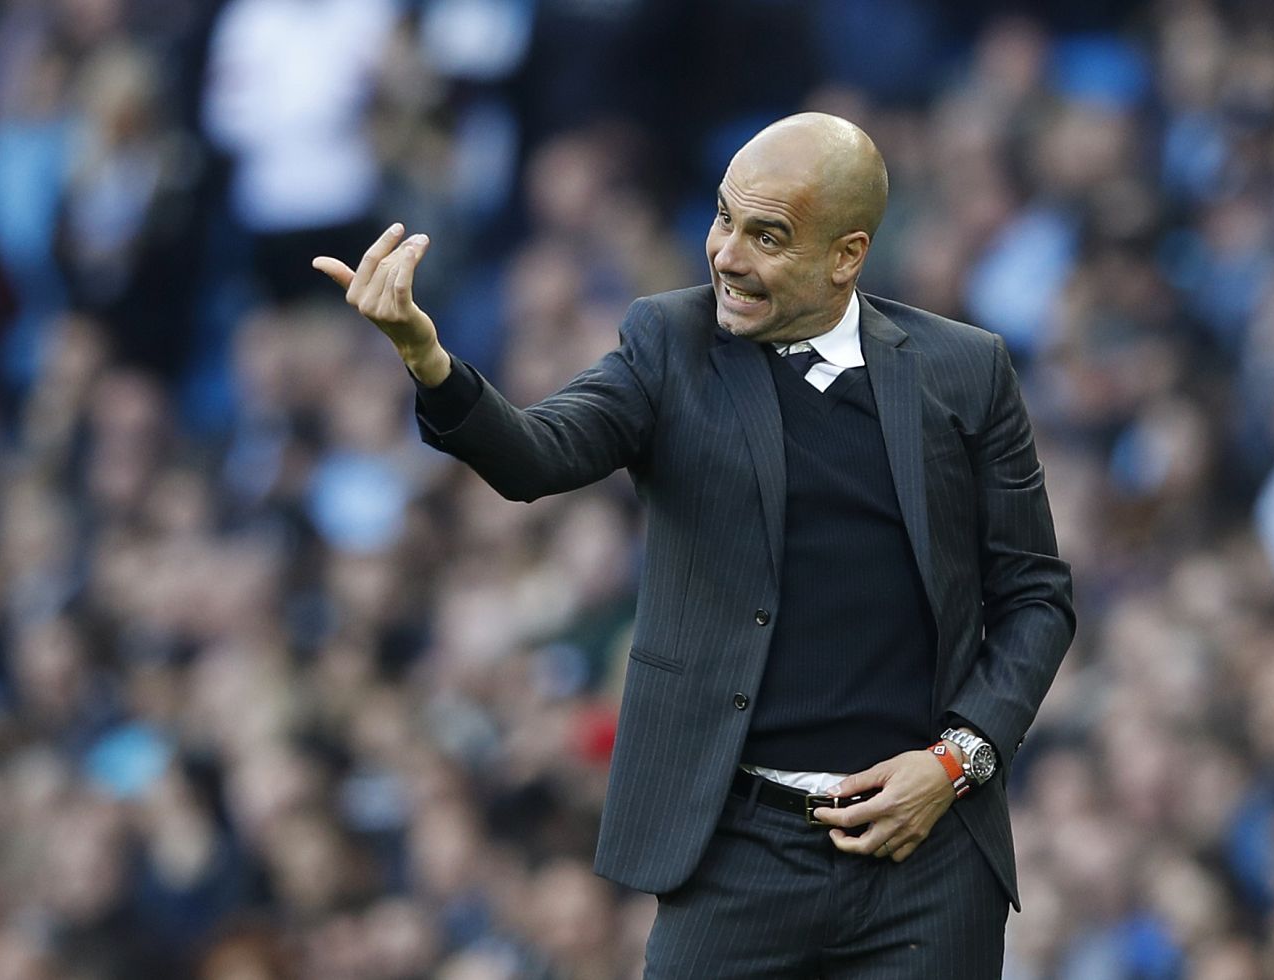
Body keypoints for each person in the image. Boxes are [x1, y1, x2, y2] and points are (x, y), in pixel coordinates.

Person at [314, 112, 1075, 979]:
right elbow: (534, 456)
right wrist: (428, 359)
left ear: (847, 255)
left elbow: (1035, 598)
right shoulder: (669, 344)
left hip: (924, 852)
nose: (726, 254)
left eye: (768, 236)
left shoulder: (963, 371)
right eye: (723, 218)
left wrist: (956, 763)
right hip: (738, 848)